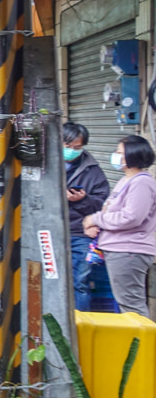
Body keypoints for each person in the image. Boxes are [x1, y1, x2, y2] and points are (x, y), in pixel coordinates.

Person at [83, 135, 156, 318]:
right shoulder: (127, 180)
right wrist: (95, 224)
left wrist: (96, 219)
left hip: (129, 250)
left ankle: (143, 345)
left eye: (119, 153)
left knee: (131, 305)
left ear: (132, 156)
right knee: (127, 303)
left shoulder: (142, 182)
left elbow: (131, 217)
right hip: (119, 249)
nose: (115, 156)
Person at [63, 122, 112, 312]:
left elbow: (103, 204)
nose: (72, 151)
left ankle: (79, 325)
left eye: (77, 148)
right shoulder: (44, 164)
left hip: (79, 235)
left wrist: (81, 200)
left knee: (80, 283)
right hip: (48, 233)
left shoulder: (93, 171)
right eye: (67, 147)